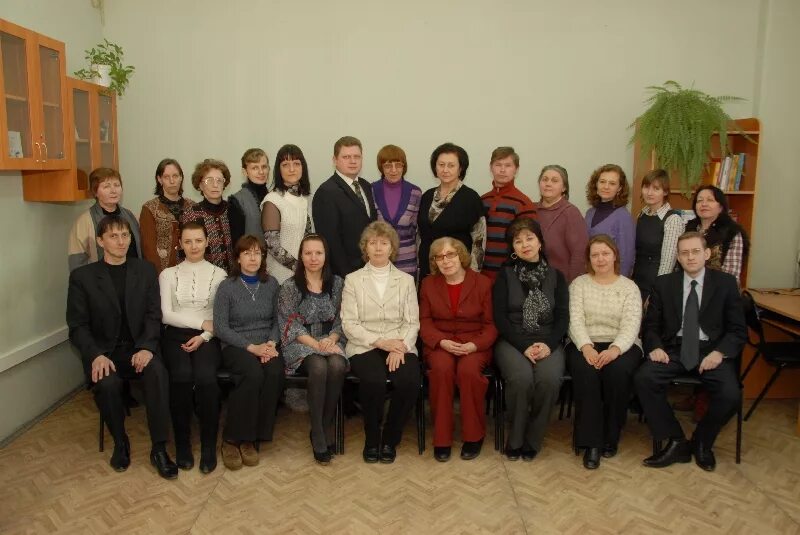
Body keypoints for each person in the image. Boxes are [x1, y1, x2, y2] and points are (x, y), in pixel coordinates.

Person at [66, 215, 176, 479]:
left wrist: (147, 347)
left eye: (125, 235)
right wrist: (95, 355)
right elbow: (78, 326)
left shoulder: (146, 270)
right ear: (100, 241)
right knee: (107, 383)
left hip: (140, 347)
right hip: (105, 352)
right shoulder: (82, 277)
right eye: (113, 236)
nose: (121, 241)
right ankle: (120, 442)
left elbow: (154, 315)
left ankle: (159, 448)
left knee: (157, 373)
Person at [634, 231, 746, 471]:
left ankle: (702, 442)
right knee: (644, 378)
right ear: (678, 257)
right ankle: (676, 440)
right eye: (684, 253)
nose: (690, 257)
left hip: (711, 351)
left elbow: (738, 330)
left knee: (730, 395)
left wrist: (720, 353)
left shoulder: (726, 284)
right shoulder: (664, 283)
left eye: (695, 251)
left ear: (707, 253)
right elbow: (651, 326)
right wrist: (655, 346)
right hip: (674, 348)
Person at [341, 221, 420, 464]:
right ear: (365, 247)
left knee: (409, 380)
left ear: (392, 248)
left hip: (400, 343)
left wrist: (401, 346)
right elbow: (349, 323)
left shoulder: (406, 280)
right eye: (372, 243)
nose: (378, 248)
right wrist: (382, 343)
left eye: (384, 243)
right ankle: (372, 438)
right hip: (364, 345)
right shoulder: (353, 280)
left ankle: (390, 438)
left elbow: (412, 322)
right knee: (373, 381)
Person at [492, 218, 568, 461]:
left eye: (529, 238)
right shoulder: (504, 276)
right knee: (521, 379)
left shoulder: (557, 276)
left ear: (540, 242)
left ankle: (533, 439)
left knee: (549, 380)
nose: (525, 244)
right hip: (513, 340)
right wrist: (524, 346)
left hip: (548, 340)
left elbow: (563, 318)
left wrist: (549, 344)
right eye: (518, 241)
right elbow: (500, 318)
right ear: (512, 248)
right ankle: (515, 439)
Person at [567, 234, 643, 470]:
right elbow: (574, 319)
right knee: (587, 373)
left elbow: (631, 324)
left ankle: (611, 436)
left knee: (617, 373)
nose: (600, 259)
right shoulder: (578, 284)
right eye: (595, 255)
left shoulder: (629, 287)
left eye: (605, 254)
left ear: (614, 256)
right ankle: (591, 443)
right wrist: (586, 346)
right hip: (584, 342)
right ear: (589, 259)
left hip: (622, 345)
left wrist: (615, 349)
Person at [420, 237, 497, 462]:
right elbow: (424, 321)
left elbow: (491, 325)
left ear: (461, 255)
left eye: (450, 255)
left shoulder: (483, 283)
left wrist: (475, 345)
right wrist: (441, 341)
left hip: (474, 343)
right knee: (441, 370)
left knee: (468, 372)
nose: (445, 261)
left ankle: (473, 436)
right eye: (439, 257)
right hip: (441, 342)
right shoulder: (428, 284)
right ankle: (442, 438)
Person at [159, 222, 226, 474]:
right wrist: (200, 323)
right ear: (180, 245)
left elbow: (220, 316)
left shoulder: (219, 274)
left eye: (198, 240)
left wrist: (205, 334)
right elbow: (166, 315)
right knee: (181, 377)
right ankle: (183, 444)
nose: (194, 246)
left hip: (209, 336)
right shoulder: (167, 274)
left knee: (207, 379)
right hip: (175, 335)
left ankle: (208, 445)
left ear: (207, 242)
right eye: (188, 241)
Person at [213, 235, 285, 470]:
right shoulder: (227, 287)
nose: (253, 258)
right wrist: (252, 347)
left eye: (257, 253)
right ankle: (231, 439)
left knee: (274, 372)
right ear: (238, 258)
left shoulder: (272, 284)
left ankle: (252, 439)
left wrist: (271, 344)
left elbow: (279, 320)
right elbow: (221, 327)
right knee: (252, 374)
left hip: (266, 343)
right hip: (236, 345)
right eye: (247, 253)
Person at [277, 234, 347, 465]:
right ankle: (317, 431)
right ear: (301, 256)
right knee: (318, 366)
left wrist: (332, 338)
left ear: (326, 256)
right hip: (301, 342)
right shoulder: (290, 286)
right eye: (308, 253)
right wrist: (315, 344)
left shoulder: (337, 283)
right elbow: (289, 323)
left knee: (337, 364)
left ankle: (325, 425)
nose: (313, 258)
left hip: (331, 338)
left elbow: (343, 318)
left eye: (318, 253)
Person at [418, 142, 486, 281]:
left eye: (451, 165)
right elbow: (419, 235)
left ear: (460, 169)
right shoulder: (426, 196)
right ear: (435, 167)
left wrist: (472, 275)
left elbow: (479, 241)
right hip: (428, 269)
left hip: (457, 272)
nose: (445, 170)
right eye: (441, 165)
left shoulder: (471, 198)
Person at [313, 136, 377, 277]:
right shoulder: (326, 192)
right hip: (345, 274)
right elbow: (330, 241)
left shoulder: (366, 186)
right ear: (335, 160)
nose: (353, 161)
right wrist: (347, 275)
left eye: (357, 157)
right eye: (346, 157)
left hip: (370, 268)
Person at [480, 147, 537, 281]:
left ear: (516, 169)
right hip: (482, 275)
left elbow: (530, 244)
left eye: (508, 165)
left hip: (511, 275)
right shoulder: (482, 200)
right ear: (491, 168)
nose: (502, 170)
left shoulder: (523, 203)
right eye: (498, 165)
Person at [68, 167, 141, 271]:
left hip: (132, 275)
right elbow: (77, 263)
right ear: (95, 192)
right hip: (100, 278)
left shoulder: (129, 215)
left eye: (117, 185)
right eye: (106, 186)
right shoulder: (84, 221)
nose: (113, 191)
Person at [261, 144, 313, 284]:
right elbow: (273, 246)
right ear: (279, 169)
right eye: (285, 165)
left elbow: (307, 238)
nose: (291, 169)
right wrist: (300, 267)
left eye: (296, 164)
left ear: (303, 167)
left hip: (303, 275)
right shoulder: (272, 200)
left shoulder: (304, 199)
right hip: (279, 276)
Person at [632, 169, 684, 300]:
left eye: (656, 188)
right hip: (637, 279)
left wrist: (656, 293)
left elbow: (668, 263)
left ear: (665, 192)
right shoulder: (641, 215)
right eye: (646, 187)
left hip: (656, 284)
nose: (649, 193)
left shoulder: (672, 219)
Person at [372, 144, 422, 278]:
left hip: (407, 259)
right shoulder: (371, 190)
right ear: (381, 167)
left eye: (398, 165)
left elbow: (415, 229)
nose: (393, 170)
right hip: (378, 257)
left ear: (404, 167)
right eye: (388, 166)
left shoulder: (415, 192)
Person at [140, 158, 195, 274]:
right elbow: (148, 248)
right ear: (159, 179)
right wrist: (159, 275)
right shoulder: (149, 208)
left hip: (191, 270)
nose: (172, 181)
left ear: (181, 178)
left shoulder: (193, 206)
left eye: (175, 176)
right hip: (162, 271)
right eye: (166, 177)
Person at [686, 185, 749, 285]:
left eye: (710, 200)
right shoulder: (688, 229)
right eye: (699, 200)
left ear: (721, 207)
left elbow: (731, 275)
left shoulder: (732, 232)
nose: (704, 204)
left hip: (719, 289)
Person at [180, 159, 236, 272]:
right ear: (200, 185)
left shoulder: (233, 210)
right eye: (209, 180)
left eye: (219, 180)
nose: (215, 185)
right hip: (203, 276)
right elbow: (184, 251)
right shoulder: (191, 213)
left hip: (233, 276)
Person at [535, 165, 588, 283]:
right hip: (533, 283)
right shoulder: (531, 210)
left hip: (560, 284)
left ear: (564, 188)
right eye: (545, 179)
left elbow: (579, 255)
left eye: (554, 181)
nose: (548, 184)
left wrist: (571, 285)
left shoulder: (571, 213)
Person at [584, 164, 635, 276]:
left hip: (611, 279)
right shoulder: (590, 213)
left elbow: (626, 258)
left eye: (612, 183)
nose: (606, 187)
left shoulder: (623, 217)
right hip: (590, 275)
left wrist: (617, 283)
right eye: (602, 182)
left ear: (619, 188)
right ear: (596, 184)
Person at [229, 148, 270, 247]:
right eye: (255, 168)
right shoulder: (237, 200)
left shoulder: (275, 196)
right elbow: (236, 244)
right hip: (250, 255)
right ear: (245, 172)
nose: (261, 172)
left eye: (264, 167)